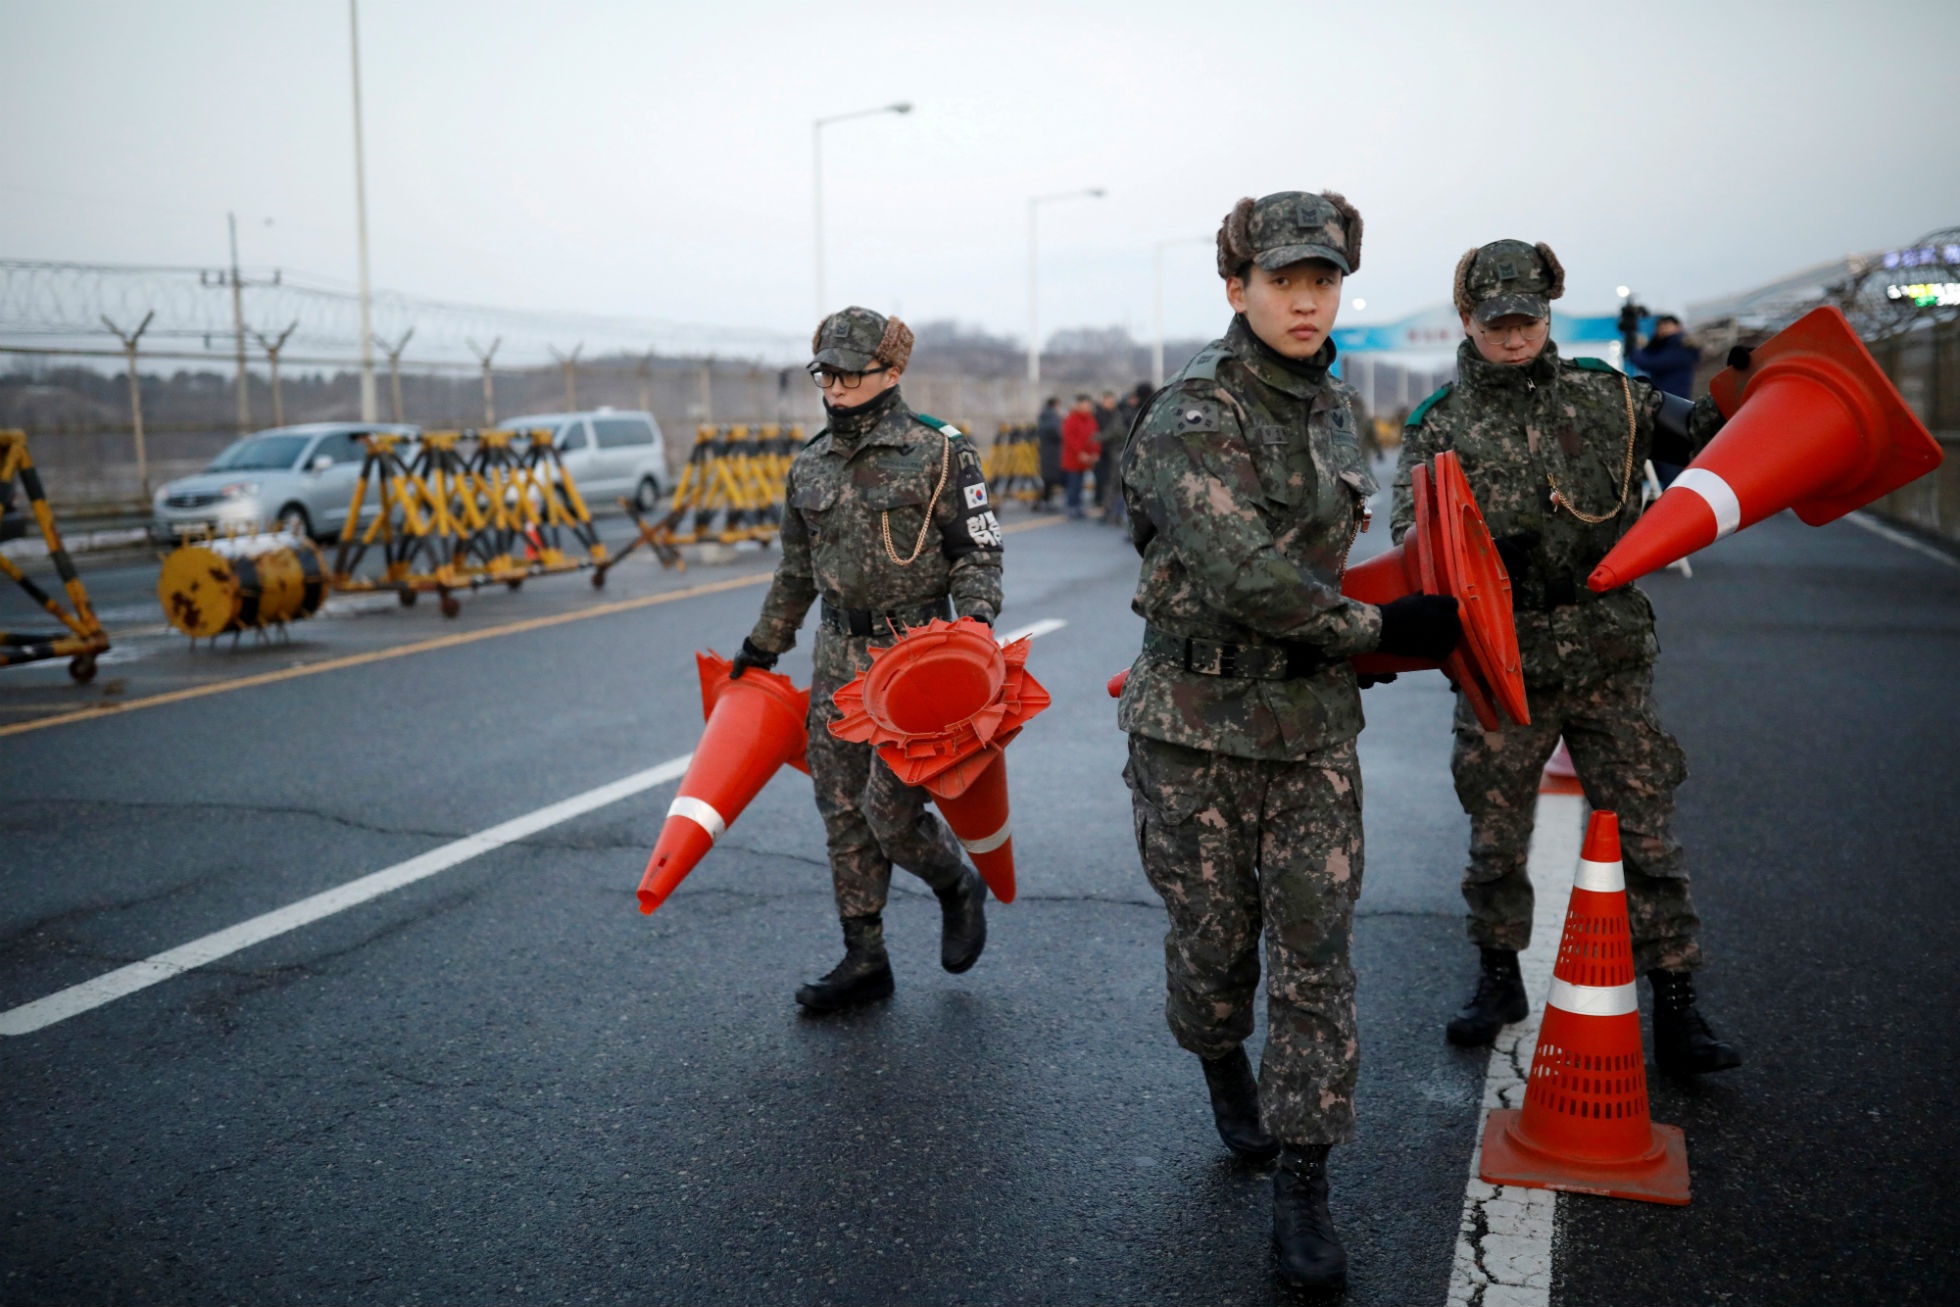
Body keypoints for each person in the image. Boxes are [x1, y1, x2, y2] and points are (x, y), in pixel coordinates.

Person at [1118, 191, 1462, 1292]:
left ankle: (1303, 1185)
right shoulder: (1188, 413)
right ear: (1237, 288)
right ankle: (1222, 1058)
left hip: (1310, 730)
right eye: (1283, 280)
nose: (1308, 298)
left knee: (1315, 959)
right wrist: (1379, 631)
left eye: (1323, 279)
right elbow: (1247, 574)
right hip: (1193, 731)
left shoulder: (1335, 409)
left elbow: (1331, 556)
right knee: (1214, 950)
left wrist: (1392, 619)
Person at [1393, 240, 1743, 1077]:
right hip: (1498, 652)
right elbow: (1411, 534)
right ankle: (1496, 975)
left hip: (1605, 647)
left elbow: (1708, 435)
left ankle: (1677, 1003)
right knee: (1494, 834)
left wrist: (1748, 382)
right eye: (1495, 323)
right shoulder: (1439, 423)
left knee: (1646, 830)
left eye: (1526, 321)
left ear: (1547, 315)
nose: (1512, 338)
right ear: (1467, 321)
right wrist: (1468, 557)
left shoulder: (1611, 398)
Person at [732, 306, 1003, 1013]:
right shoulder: (811, 463)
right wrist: (763, 644)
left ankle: (954, 882)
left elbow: (976, 548)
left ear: (892, 370)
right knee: (842, 810)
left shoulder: (940, 451)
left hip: (916, 658)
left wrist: (974, 624)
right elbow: (796, 571)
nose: (836, 384)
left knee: (890, 812)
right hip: (837, 656)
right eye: (826, 371)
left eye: (850, 371)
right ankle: (865, 956)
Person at [1627, 315, 1703, 483]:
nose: (1662, 330)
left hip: (1671, 407)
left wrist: (1634, 348)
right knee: (1662, 458)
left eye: (1667, 326)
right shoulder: (1669, 346)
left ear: (1678, 327)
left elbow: (1649, 362)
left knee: (1669, 458)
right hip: (1665, 405)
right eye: (1660, 327)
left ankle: (1674, 493)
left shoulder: (1680, 348)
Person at [1060, 394, 1101, 519]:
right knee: (1073, 484)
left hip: (1085, 459)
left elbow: (1095, 437)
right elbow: (1070, 439)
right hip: (1073, 458)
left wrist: (1095, 452)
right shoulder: (1071, 419)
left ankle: (1077, 507)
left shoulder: (1090, 419)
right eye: (1085, 405)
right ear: (1078, 405)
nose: (1087, 407)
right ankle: (1072, 507)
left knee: (1080, 484)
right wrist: (1080, 453)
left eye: (1088, 405)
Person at [1092, 389, 1121, 514]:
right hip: (1101, 452)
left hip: (1112, 452)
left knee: (1110, 481)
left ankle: (1107, 507)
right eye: (1108, 401)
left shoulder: (1116, 414)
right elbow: (1094, 434)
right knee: (1102, 480)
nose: (1111, 404)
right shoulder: (1097, 414)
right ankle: (1102, 504)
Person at [1035, 396, 1064, 509]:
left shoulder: (1043, 416)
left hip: (1046, 452)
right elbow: (1057, 433)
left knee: (1048, 479)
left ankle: (1046, 501)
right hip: (1053, 453)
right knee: (1051, 479)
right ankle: (1047, 501)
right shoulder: (1052, 417)